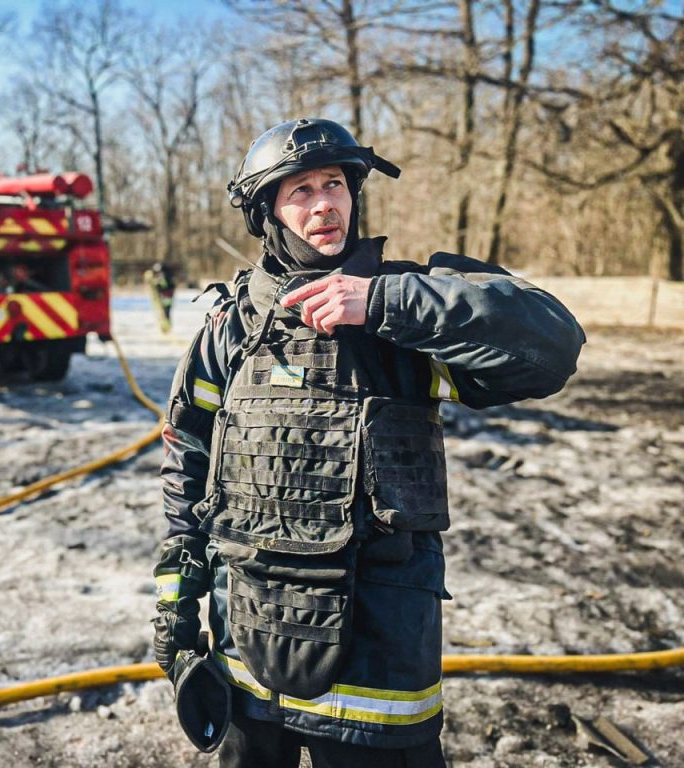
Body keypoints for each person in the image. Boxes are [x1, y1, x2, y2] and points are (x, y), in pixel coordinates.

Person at [152, 118, 586, 766]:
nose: (324, 202)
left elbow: (552, 346)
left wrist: (386, 302)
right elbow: (188, 464)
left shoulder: (411, 310)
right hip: (247, 651)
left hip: (377, 679)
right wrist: (176, 613)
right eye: (299, 190)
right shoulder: (231, 328)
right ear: (267, 209)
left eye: (335, 183)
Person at [145, 261, 176, 334]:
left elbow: (161, 286)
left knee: (164, 313)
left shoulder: (163, 277)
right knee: (165, 313)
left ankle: (166, 329)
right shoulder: (167, 277)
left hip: (165, 298)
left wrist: (156, 283)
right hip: (167, 297)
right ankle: (166, 328)